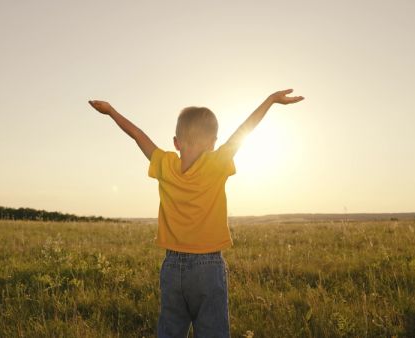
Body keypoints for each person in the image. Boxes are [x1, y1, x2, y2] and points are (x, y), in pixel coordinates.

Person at [88, 89, 304, 338]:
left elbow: (137, 135)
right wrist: (271, 100)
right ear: (213, 142)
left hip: (172, 266)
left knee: (170, 330)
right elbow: (245, 129)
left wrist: (111, 111)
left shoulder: (165, 164)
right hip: (208, 267)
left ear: (176, 142)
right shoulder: (218, 162)